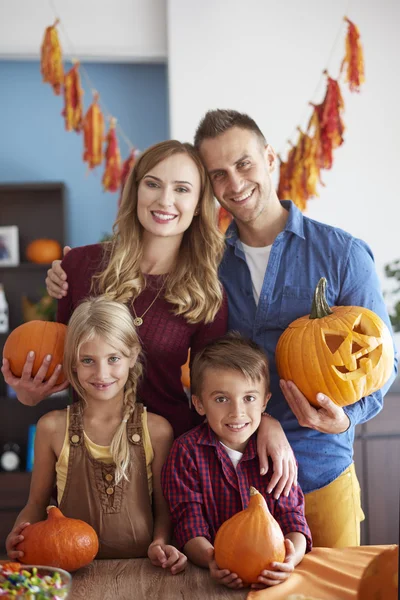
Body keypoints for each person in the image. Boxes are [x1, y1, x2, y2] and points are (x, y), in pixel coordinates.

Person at [3, 139, 298, 496]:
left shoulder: (208, 291)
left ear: (197, 204)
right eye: (153, 184)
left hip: (169, 456)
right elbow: (66, 364)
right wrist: (29, 394)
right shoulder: (78, 266)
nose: (165, 200)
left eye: (182, 189)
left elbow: (218, 381)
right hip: (87, 454)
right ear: (136, 190)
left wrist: (266, 422)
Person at [192, 109, 398, 547]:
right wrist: (72, 271)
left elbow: (384, 363)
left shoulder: (342, 255)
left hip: (321, 474)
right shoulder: (208, 264)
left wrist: (344, 420)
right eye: (218, 174)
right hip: (232, 485)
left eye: (243, 164)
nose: (234, 184)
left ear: (270, 159)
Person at [6, 297, 186, 571]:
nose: (102, 373)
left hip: (144, 570)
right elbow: (35, 504)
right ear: (73, 364)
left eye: (113, 358)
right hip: (72, 573)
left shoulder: (157, 429)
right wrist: (19, 532)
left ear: (132, 356)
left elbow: (163, 510)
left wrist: (160, 542)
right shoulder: (52, 428)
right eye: (88, 360)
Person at [161, 332, 311, 590]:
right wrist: (212, 559)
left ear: (265, 401)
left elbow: (293, 518)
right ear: (199, 404)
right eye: (221, 399)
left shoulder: (278, 454)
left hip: (272, 580)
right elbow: (189, 522)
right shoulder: (186, 452)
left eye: (249, 398)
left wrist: (290, 560)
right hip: (207, 583)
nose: (237, 412)